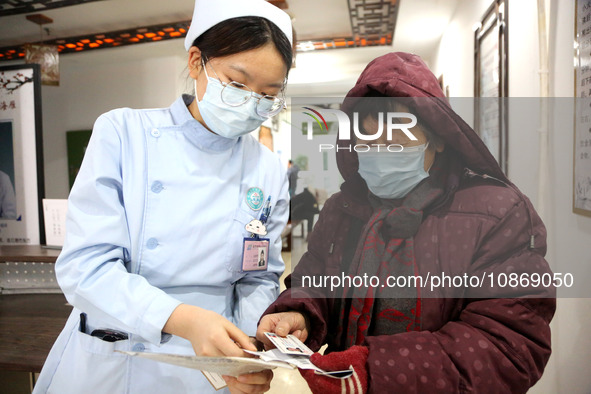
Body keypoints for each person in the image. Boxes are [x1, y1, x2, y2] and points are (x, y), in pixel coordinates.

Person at [257, 53, 555, 393]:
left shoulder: (497, 214)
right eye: (366, 138)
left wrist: (375, 370)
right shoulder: (343, 208)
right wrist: (300, 313)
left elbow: (510, 345)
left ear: (438, 138)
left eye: (397, 136)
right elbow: (317, 280)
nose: (380, 149)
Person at [34, 1, 292, 393]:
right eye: (238, 84)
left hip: (211, 361)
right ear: (195, 62)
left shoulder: (268, 168)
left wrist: (247, 351)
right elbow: (85, 268)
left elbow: (259, 276)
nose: (251, 103)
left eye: (267, 94)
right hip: (118, 353)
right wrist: (183, 319)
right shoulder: (124, 133)